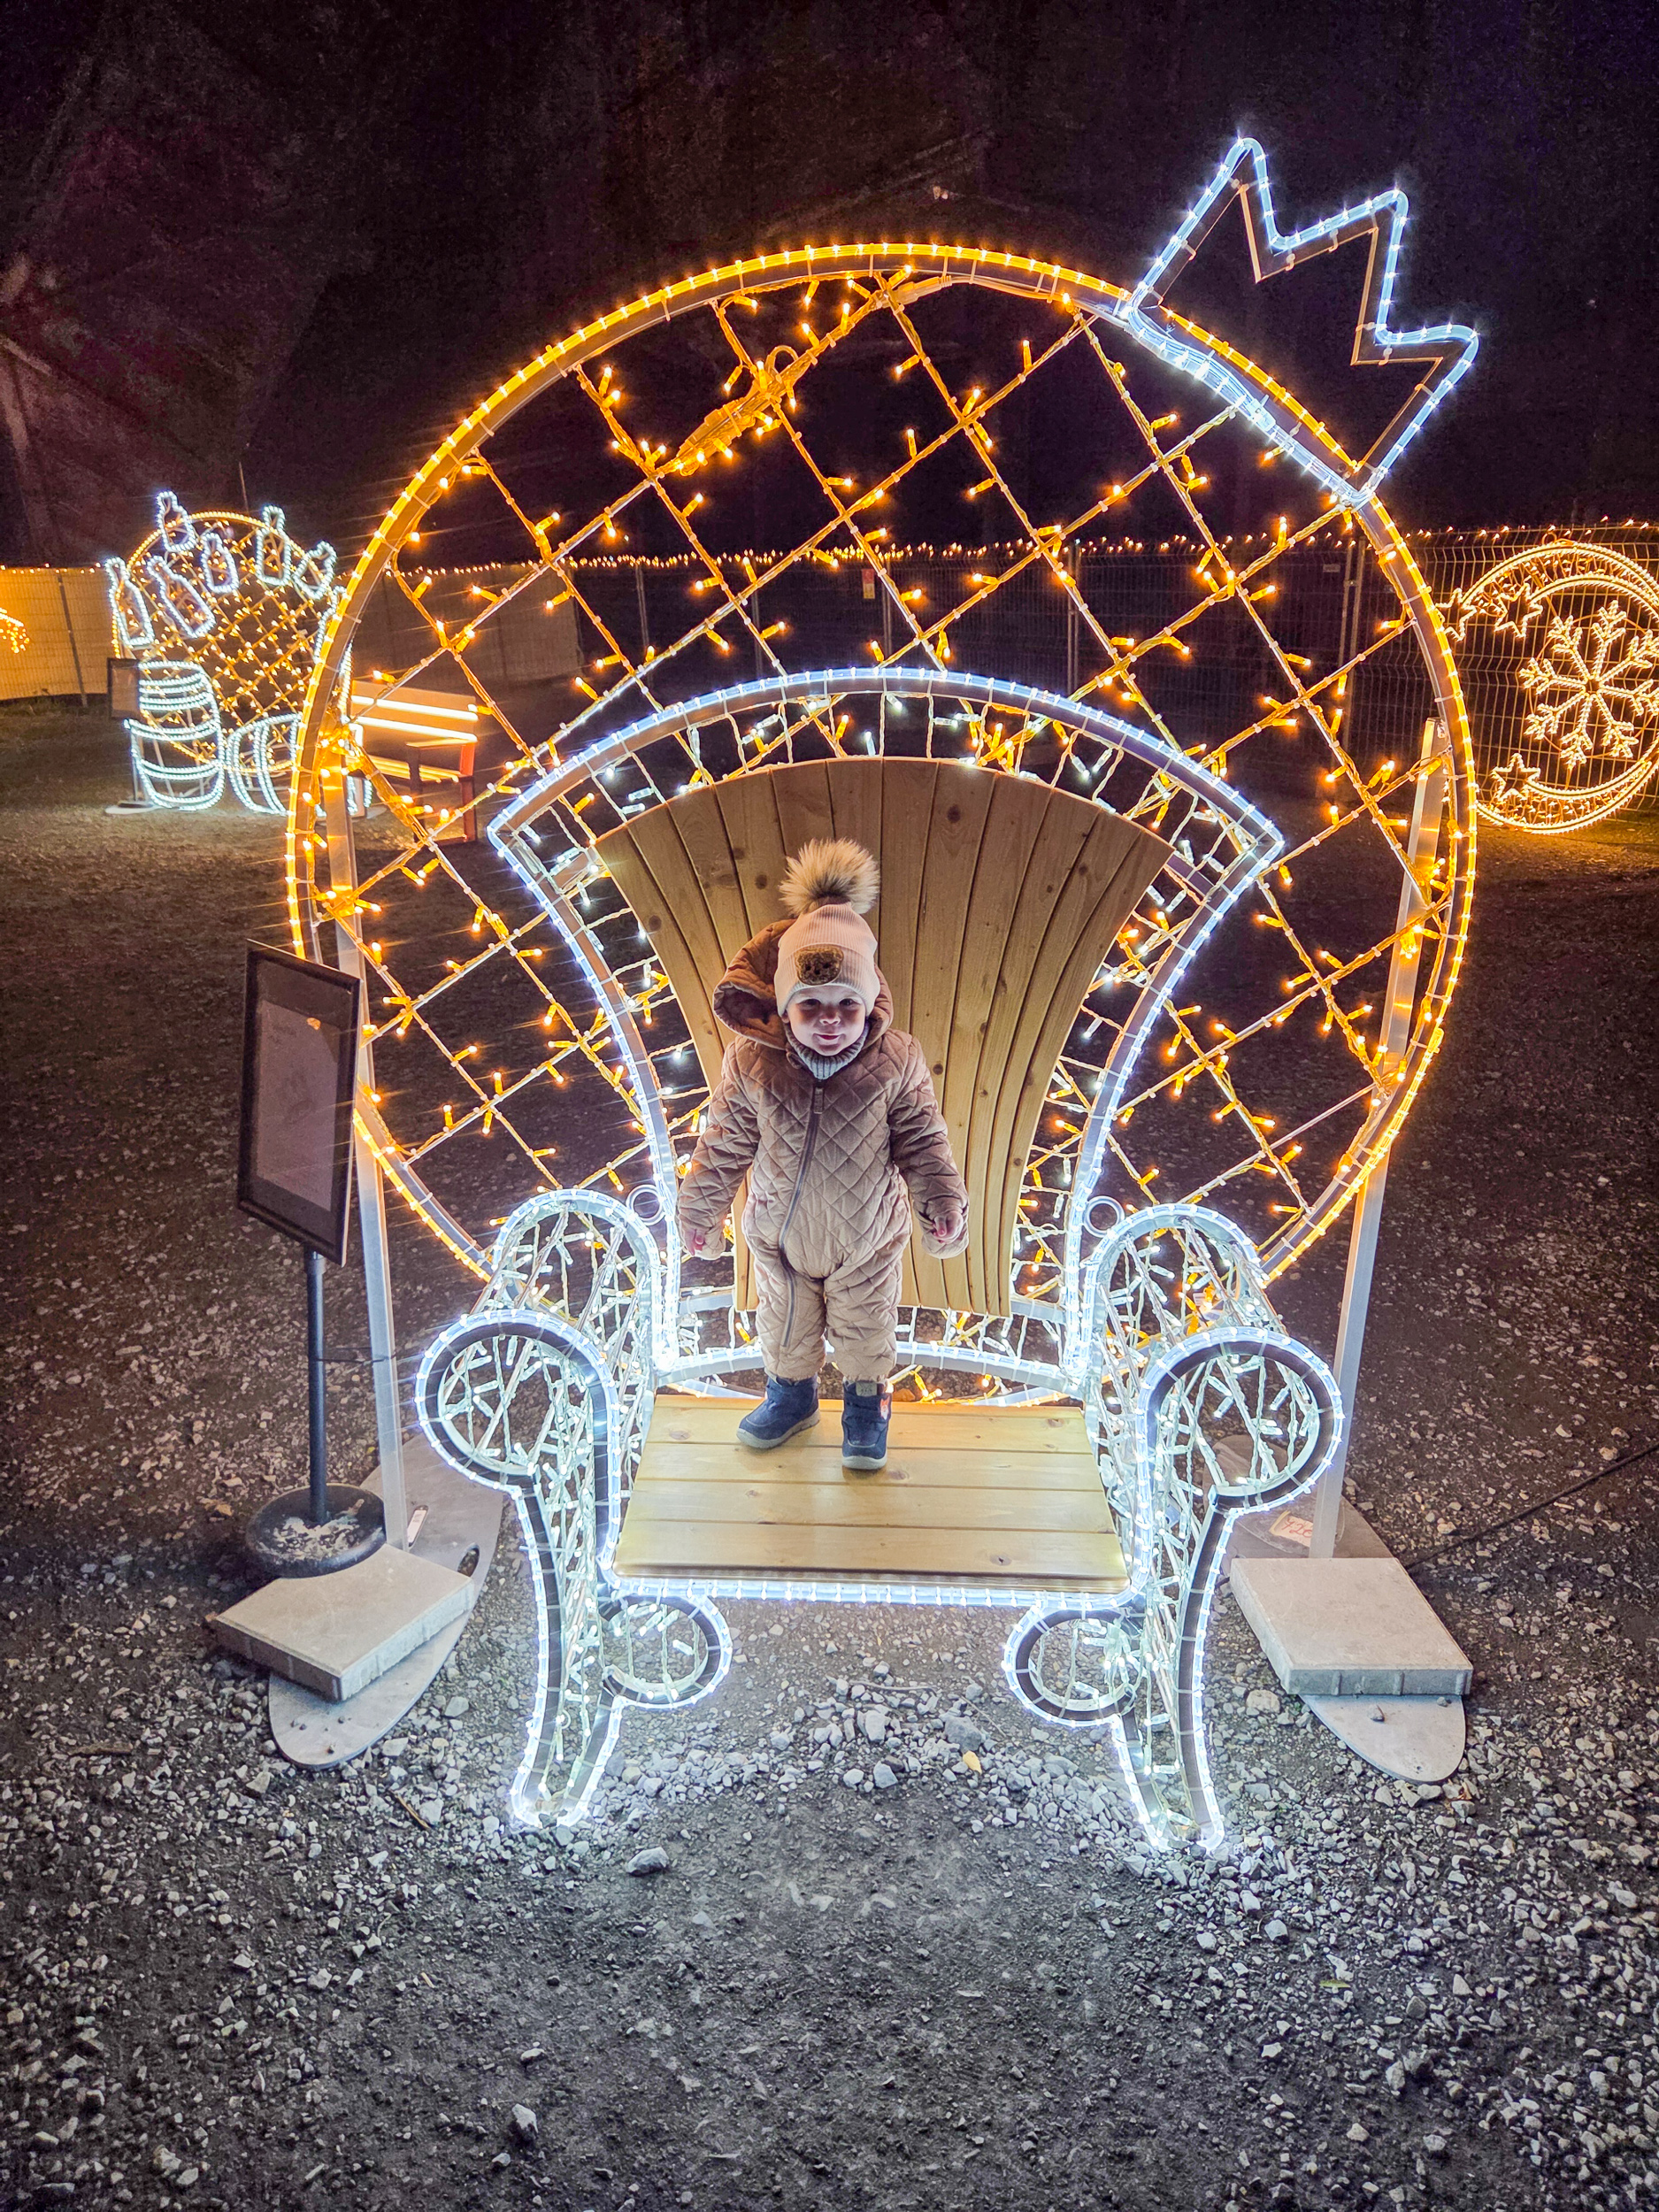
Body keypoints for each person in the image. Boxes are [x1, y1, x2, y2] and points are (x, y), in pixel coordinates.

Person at [676, 838, 968, 1471]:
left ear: (869, 1006)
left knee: (866, 1329)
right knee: (784, 1326)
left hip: (866, 1237)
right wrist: (700, 1214)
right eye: (811, 1005)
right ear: (784, 1007)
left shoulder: (895, 1060)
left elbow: (922, 1137)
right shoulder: (753, 1062)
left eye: (845, 1006)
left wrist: (942, 1204)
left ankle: (866, 1405)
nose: (829, 1019)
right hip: (780, 1237)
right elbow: (724, 1141)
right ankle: (792, 1397)